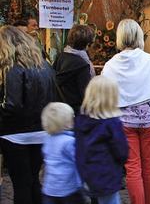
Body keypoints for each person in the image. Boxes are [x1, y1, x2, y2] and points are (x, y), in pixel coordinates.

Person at [101, 19, 150, 204]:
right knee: (149, 165)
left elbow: (104, 97)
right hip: (149, 119)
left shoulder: (110, 65)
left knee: (132, 166)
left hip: (124, 121)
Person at [0, 25, 56, 204]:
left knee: (22, 184)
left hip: (16, 134)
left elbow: (12, 105)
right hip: (41, 131)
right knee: (33, 180)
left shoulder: (12, 68)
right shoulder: (44, 65)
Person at [75, 75, 129, 204]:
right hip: (107, 174)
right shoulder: (112, 123)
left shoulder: (81, 119)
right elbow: (121, 151)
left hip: (87, 173)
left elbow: (78, 148)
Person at [41, 102, 83, 204]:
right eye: (71, 117)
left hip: (50, 188)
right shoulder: (69, 141)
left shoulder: (48, 139)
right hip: (69, 188)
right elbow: (79, 160)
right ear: (65, 122)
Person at [52, 24, 96, 114]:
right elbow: (86, 95)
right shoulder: (83, 65)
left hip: (58, 110)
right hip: (76, 113)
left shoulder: (61, 57)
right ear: (88, 45)